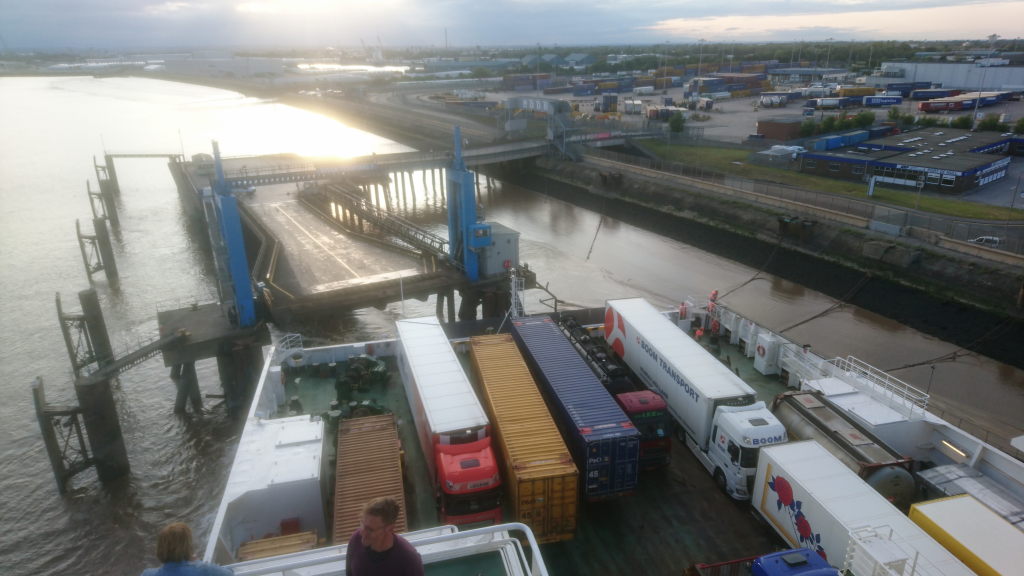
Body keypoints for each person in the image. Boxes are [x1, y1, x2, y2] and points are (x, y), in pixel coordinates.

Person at [346, 497, 424, 576]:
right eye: (362, 523)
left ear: (389, 529)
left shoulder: (409, 560)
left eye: (370, 530)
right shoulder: (355, 539)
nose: (362, 532)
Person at [141, 522, 233, 575]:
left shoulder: (147, 574)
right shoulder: (204, 570)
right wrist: (197, 562)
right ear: (187, 546)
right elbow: (230, 573)